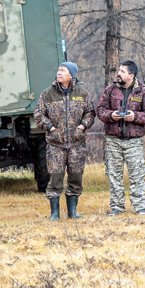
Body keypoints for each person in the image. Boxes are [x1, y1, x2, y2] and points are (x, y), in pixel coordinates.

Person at [33, 61, 96, 221]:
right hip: (55, 145)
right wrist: (51, 128)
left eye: (63, 70)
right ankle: (55, 213)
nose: (59, 73)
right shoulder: (48, 94)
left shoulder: (82, 93)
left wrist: (82, 126)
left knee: (76, 178)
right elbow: (39, 115)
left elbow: (90, 113)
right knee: (55, 179)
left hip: (76, 145)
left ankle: (73, 211)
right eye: (58, 70)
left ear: (71, 75)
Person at [97, 60, 145, 215]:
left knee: (137, 174)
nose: (119, 73)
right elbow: (100, 110)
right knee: (114, 174)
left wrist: (134, 116)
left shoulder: (143, 91)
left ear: (131, 75)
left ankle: (140, 207)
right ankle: (117, 207)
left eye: (122, 71)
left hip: (133, 140)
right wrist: (112, 115)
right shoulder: (110, 89)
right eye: (119, 70)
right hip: (113, 139)